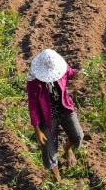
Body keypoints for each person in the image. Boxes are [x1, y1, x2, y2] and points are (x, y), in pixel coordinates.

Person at [27, 49, 84, 181]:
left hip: (64, 108)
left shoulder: (62, 69)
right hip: (47, 116)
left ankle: (66, 148)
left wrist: (86, 74)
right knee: (49, 150)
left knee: (78, 135)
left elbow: (72, 73)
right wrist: (37, 129)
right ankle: (58, 180)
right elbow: (33, 106)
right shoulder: (34, 81)